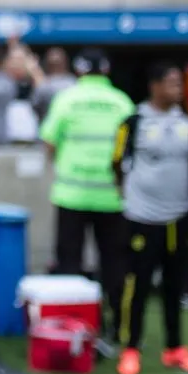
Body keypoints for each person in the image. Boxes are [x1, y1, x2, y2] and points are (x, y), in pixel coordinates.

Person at [111, 63, 188, 374]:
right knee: (137, 285)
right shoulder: (134, 122)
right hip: (142, 217)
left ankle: (174, 348)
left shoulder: (187, 123)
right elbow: (117, 163)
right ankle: (130, 348)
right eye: (171, 82)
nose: (178, 88)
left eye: (180, 82)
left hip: (179, 218)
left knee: (174, 285)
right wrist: (131, 199)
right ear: (154, 86)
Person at [38, 47, 134, 355]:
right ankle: (116, 326)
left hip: (72, 194)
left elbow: (49, 141)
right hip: (112, 196)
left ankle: (73, 325)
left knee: (70, 263)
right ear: (106, 71)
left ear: (78, 71)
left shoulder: (66, 99)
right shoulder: (122, 101)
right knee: (114, 263)